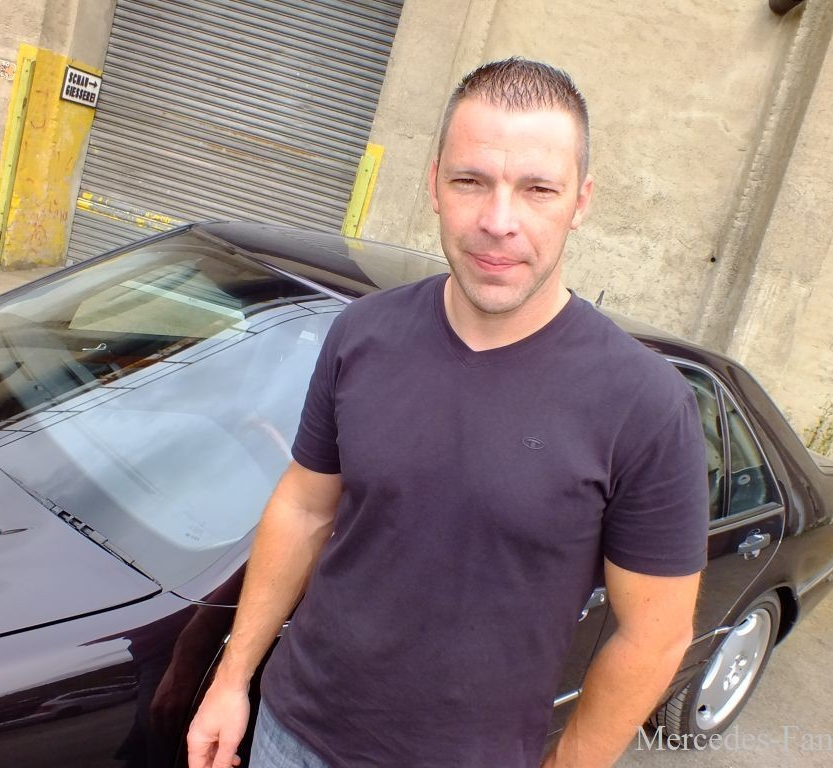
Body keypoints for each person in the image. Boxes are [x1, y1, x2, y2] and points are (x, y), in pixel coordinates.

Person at [187, 57, 708, 768]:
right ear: (434, 184)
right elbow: (305, 508)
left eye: (538, 189)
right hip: (291, 732)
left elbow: (655, 635)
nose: (499, 221)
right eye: (471, 181)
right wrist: (232, 679)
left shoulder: (645, 404)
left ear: (581, 201)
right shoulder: (362, 334)